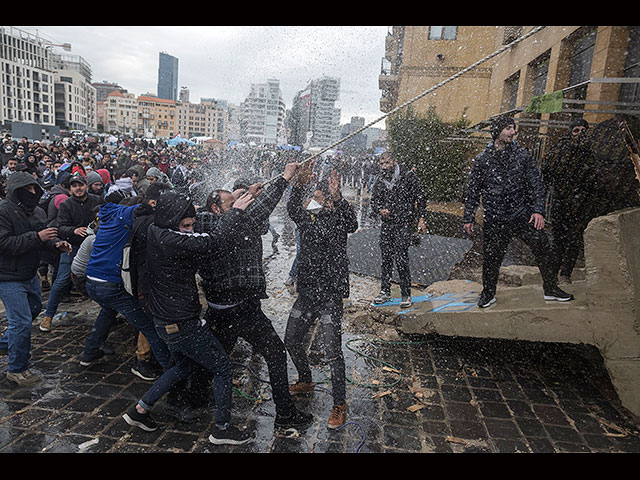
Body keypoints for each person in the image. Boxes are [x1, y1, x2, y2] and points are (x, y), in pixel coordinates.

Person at [122, 190, 255, 446]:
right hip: (181, 322)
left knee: (182, 367)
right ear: (172, 222)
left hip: (164, 320)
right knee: (223, 368)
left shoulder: (156, 229)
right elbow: (213, 241)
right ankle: (222, 429)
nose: (190, 230)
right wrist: (236, 211)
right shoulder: (174, 240)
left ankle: (139, 411)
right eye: (186, 226)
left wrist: (233, 198)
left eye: (192, 225)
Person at [195, 162, 313, 433]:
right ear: (216, 208)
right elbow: (256, 211)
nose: (239, 203)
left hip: (223, 308)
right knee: (274, 352)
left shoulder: (215, 220)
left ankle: (193, 398)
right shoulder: (218, 223)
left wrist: (247, 193)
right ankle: (284, 414)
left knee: (215, 358)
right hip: (236, 310)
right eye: (230, 201)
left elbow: (250, 213)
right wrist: (284, 178)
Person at [463, 115, 574, 308]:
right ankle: (488, 294)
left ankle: (551, 289)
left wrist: (538, 211)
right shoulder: (482, 160)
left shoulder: (522, 155)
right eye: (508, 128)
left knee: (543, 247)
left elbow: (536, 185)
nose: (513, 132)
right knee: (491, 258)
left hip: (521, 215)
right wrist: (468, 217)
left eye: (513, 128)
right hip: (495, 218)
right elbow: (473, 191)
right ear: (497, 132)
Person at [284, 164, 358, 429]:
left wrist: (337, 197)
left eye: (318, 198)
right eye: (312, 197)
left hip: (330, 294)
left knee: (332, 351)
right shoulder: (307, 218)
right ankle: (306, 378)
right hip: (307, 292)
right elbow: (292, 209)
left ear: (328, 201)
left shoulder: (339, 218)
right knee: (291, 339)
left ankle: (339, 403)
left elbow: (353, 223)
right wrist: (298, 184)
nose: (313, 202)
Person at [79, 197, 172, 372]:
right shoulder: (125, 219)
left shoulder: (109, 218)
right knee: (148, 326)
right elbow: (145, 207)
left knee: (107, 311)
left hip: (91, 281)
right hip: (109, 285)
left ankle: (89, 353)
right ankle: (170, 370)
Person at [0, 172, 72, 387]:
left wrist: (56, 244)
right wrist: (37, 237)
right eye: (27, 189)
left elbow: (44, 237)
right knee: (21, 322)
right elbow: (4, 243)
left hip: (28, 273)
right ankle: (17, 369)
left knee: (32, 310)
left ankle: (5, 344)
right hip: (8, 275)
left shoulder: (37, 210)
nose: (32, 192)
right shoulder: (3, 211)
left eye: (34, 188)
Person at [40, 173, 104, 332]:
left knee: (104, 281)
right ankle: (48, 316)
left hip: (95, 246)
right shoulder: (66, 205)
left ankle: (107, 315)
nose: (78, 188)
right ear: (70, 189)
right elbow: (60, 227)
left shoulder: (97, 200)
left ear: (86, 186)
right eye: (74, 186)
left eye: (80, 185)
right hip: (73, 247)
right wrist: (74, 230)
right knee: (61, 280)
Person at [370, 151, 427, 307]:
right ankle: (385, 291)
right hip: (387, 224)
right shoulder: (380, 180)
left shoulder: (408, 176)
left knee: (401, 258)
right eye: (381, 164)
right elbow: (374, 201)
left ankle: (405, 293)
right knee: (386, 259)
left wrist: (422, 219)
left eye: (387, 163)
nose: (384, 167)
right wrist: (380, 210)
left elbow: (420, 197)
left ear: (394, 162)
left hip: (403, 223)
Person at [129, 182, 172, 381]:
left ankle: (152, 357)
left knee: (151, 322)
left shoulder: (145, 218)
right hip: (148, 281)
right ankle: (143, 360)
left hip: (148, 279)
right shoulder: (150, 223)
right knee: (150, 323)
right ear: (154, 203)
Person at [541, 118, 592, 284]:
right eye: (576, 130)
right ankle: (552, 274)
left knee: (575, 239)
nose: (579, 134)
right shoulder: (561, 148)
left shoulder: (593, 151)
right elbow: (547, 171)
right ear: (571, 133)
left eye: (583, 130)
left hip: (582, 203)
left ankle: (565, 274)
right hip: (561, 202)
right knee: (558, 240)